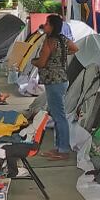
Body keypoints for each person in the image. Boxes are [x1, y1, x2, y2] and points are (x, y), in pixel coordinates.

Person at [32, 14, 79, 160]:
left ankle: (63, 150)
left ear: (52, 26)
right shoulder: (63, 39)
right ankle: (59, 147)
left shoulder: (49, 41)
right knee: (58, 115)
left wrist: (34, 61)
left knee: (59, 116)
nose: (44, 26)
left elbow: (42, 62)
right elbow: (75, 48)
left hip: (53, 81)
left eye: (46, 23)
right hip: (62, 79)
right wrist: (60, 56)